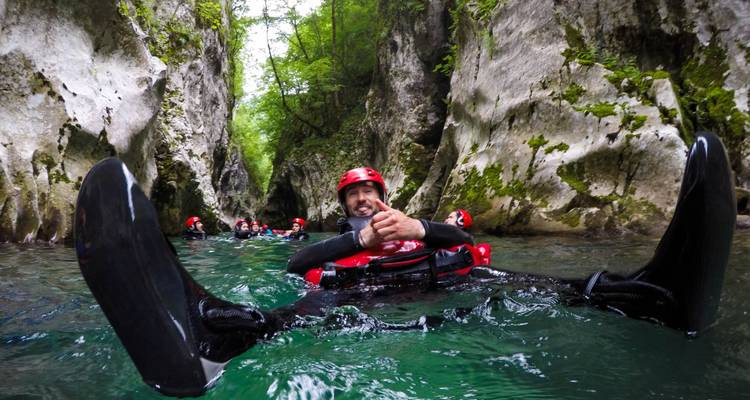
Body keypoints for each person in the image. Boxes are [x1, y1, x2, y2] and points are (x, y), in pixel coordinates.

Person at [286, 167, 473, 276]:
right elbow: (294, 265)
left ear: (381, 197)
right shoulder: (340, 242)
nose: (361, 198)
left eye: (368, 191)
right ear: (344, 204)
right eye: (352, 194)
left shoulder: (408, 227)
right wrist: (361, 239)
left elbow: (467, 241)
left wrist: (420, 227)